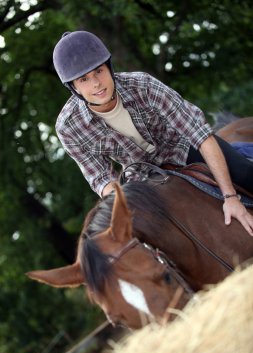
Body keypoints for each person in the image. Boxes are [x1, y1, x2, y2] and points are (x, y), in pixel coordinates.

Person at [53, 30, 253, 236]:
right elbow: (102, 179)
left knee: (246, 173)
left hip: (182, 148)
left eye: (99, 71)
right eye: (84, 79)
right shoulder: (68, 127)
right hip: (141, 178)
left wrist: (230, 197)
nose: (96, 83)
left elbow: (199, 134)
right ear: (73, 87)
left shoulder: (143, 85)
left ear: (109, 67)